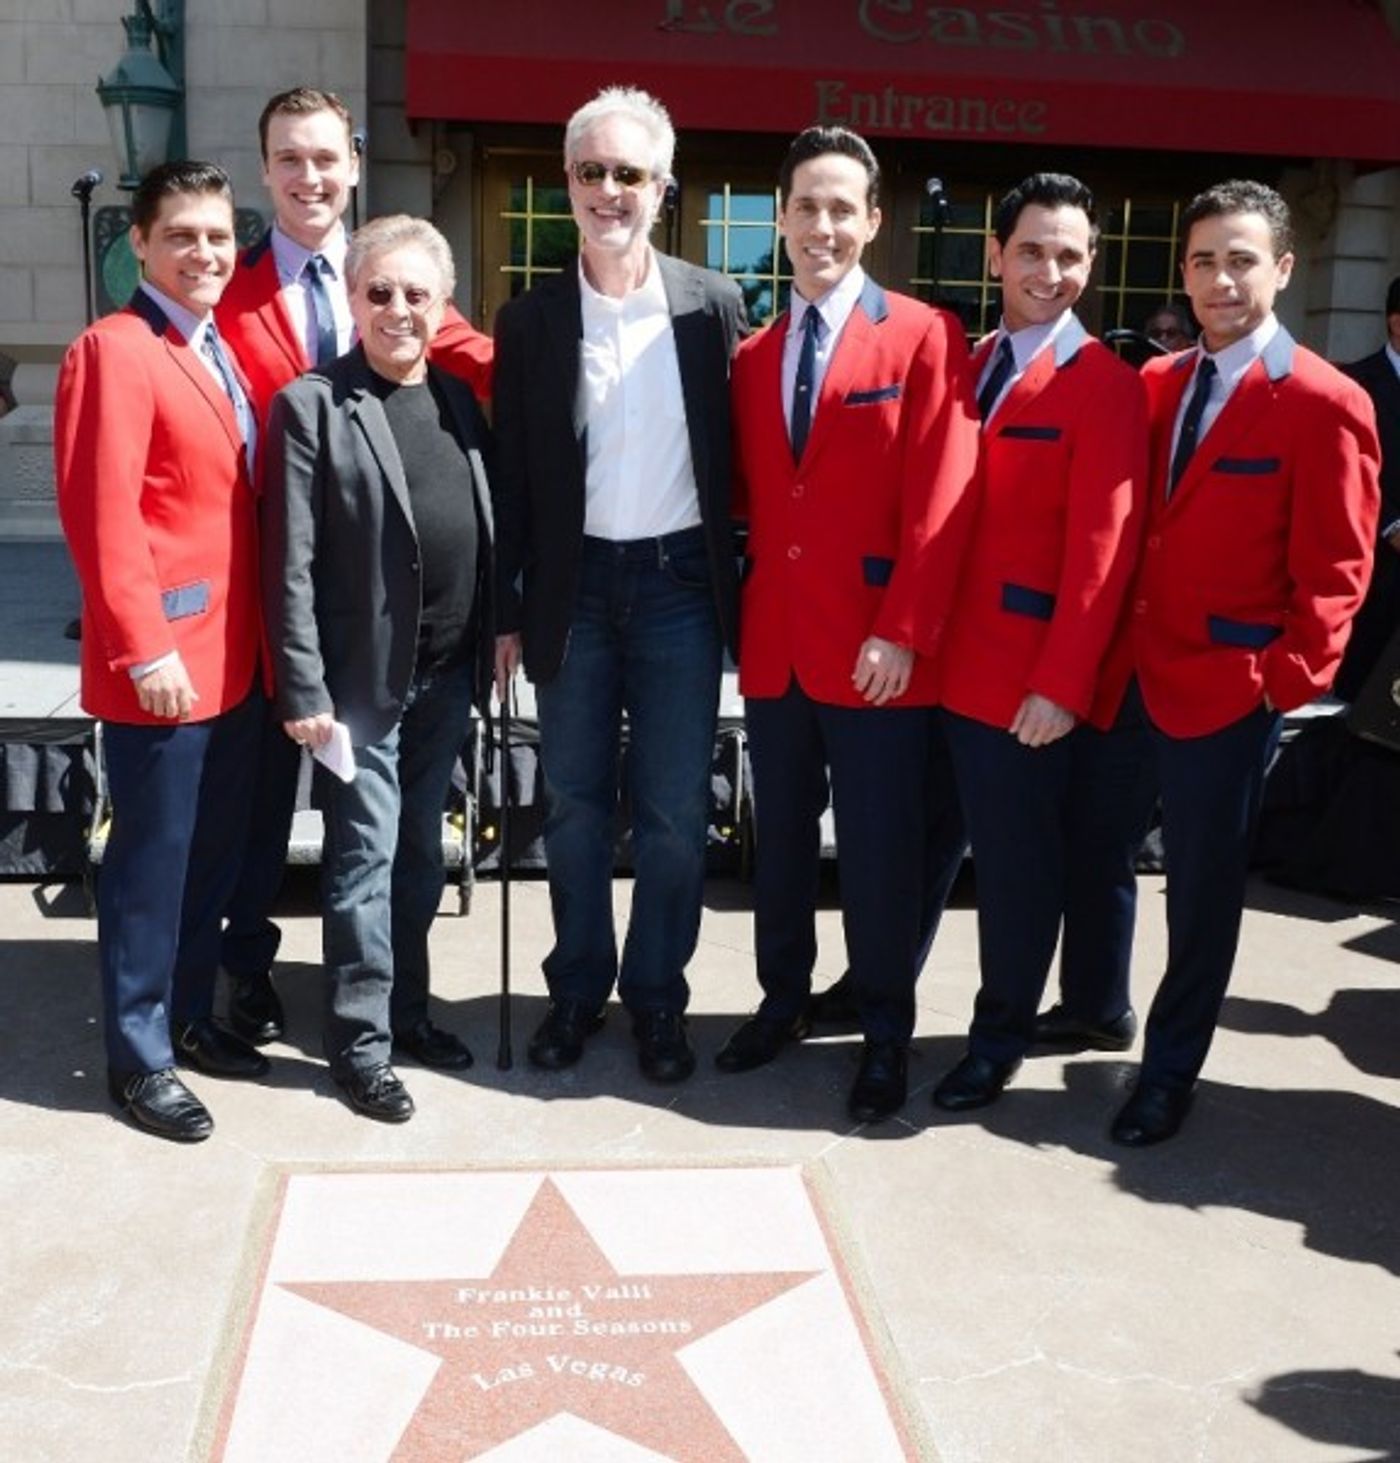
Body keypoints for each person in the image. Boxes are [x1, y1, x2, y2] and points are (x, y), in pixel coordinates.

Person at [1083, 180, 1380, 1145]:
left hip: (1229, 690)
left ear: (1283, 269)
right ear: (1184, 271)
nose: (1221, 280)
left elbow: (1339, 569)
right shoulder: (1156, 382)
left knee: (1201, 895)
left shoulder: (1328, 401)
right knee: (1096, 847)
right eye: (1205, 260)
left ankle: (1170, 1071)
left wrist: (1282, 685)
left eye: (1241, 260)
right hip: (1131, 671)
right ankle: (1097, 1006)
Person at [216, 87, 492, 1061]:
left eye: (325, 157)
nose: (309, 176)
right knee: (275, 823)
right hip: (290, 614)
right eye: (290, 158)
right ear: (265, 169)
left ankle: (395, 1005)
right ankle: (269, 982)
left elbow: (488, 385)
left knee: (402, 844)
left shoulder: (413, 308)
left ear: (354, 164)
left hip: (424, 645)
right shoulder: (233, 296)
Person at [716, 124, 979, 1122]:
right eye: (804, 207)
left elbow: (943, 495)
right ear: (779, 217)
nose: (820, 226)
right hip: (778, 646)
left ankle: (884, 1032)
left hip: (879, 652)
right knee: (778, 844)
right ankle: (780, 1000)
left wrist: (902, 626)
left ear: (871, 220)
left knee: (877, 854)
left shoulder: (923, 334)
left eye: (840, 208)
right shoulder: (753, 355)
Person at [491, 86, 745, 1085]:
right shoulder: (531, 320)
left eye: (628, 172)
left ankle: (656, 996)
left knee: (676, 810)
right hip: (577, 586)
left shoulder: (711, 305)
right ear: (566, 182)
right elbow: (512, 476)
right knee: (573, 804)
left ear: (663, 187)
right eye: (591, 171)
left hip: (680, 585)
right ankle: (576, 988)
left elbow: (741, 462)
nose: (609, 190)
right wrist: (506, 609)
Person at [261, 215, 495, 1122]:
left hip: (449, 671)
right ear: (353, 300)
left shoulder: (460, 401)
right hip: (360, 685)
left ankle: (407, 1011)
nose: (400, 309)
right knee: (363, 860)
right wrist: (303, 685)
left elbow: (483, 526)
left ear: (444, 304)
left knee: (421, 858)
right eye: (380, 292)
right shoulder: (312, 404)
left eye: (417, 294)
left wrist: (502, 626)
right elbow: (288, 560)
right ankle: (360, 1044)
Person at [55, 161, 268, 1142]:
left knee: (208, 861)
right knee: (151, 870)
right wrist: (145, 651)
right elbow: (103, 518)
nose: (204, 252)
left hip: (236, 659)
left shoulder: (217, 347)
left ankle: (187, 1015)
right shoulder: (114, 348)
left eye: (218, 235)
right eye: (181, 234)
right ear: (137, 243)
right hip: (165, 668)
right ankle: (138, 1059)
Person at [928, 173, 1148, 1112]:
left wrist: (1062, 682)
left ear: (1091, 264)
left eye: (1068, 255)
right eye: (1030, 251)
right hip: (938, 663)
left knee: (1016, 873)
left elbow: (1105, 550)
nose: (1048, 272)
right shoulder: (965, 362)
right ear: (995, 255)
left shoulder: (1107, 386)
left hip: (1023, 680)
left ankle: (998, 1038)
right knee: (929, 851)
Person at [1334, 276, 1400, 699]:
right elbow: (1348, 472)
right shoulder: (1355, 383)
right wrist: (1391, 526)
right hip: (1378, 563)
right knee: (1363, 696)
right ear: (1396, 321)